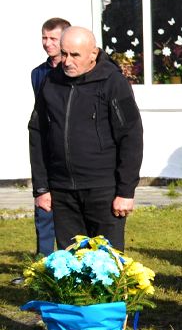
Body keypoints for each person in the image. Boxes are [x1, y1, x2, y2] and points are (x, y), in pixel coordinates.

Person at [29, 27, 143, 251]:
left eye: (75, 55)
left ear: (93, 54)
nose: (67, 61)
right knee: (71, 261)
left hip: (103, 189)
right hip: (62, 190)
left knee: (106, 262)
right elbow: (37, 133)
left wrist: (125, 191)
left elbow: (131, 136)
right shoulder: (51, 82)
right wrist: (41, 188)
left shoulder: (113, 82)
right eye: (64, 53)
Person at [28, 17, 70, 261]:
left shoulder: (72, 69)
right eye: (44, 37)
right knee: (43, 204)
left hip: (70, 146)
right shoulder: (38, 73)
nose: (47, 43)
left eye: (53, 38)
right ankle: (42, 262)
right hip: (46, 145)